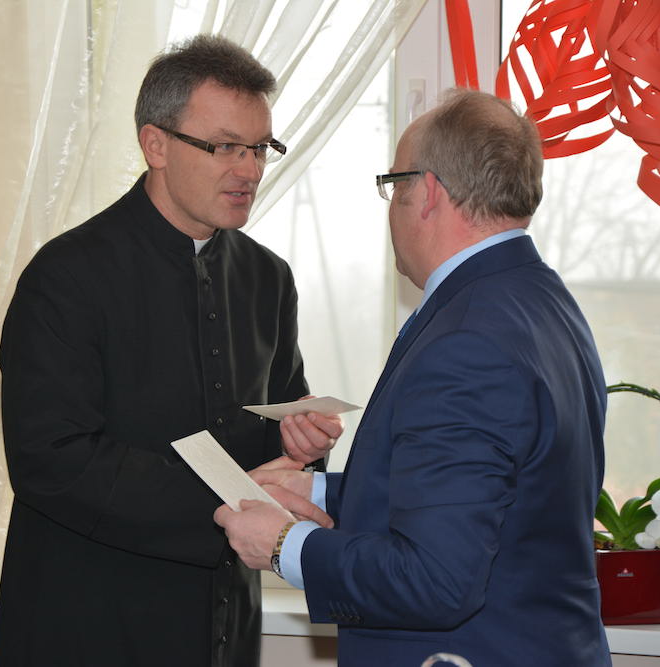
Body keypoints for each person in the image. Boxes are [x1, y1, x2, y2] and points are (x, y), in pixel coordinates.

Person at [215, 88, 612, 666]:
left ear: (426, 192)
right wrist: (317, 493)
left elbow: (436, 580)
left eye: (393, 184)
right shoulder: (542, 300)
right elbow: (482, 497)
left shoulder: (468, 341)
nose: (391, 206)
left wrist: (284, 546)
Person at [0, 35, 340, 667]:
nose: (250, 170)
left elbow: (267, 433)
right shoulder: (66, 275)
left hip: (224, 621)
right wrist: (225, 502)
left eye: (260, 147)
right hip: (91, 620)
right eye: (225, 146)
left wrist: (300, 444)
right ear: (156, 145)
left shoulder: (268, 277)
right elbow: (52, 459)